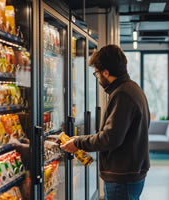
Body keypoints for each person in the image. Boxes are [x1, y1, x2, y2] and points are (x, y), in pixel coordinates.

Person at [61, 44, 150, 200]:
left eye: (97, 74)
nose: (98, 79)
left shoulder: (122, 94)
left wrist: (79, 142)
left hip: (122, 177)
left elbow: (110, 138)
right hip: (131, 173)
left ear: (106, 73)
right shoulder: (132, 88)